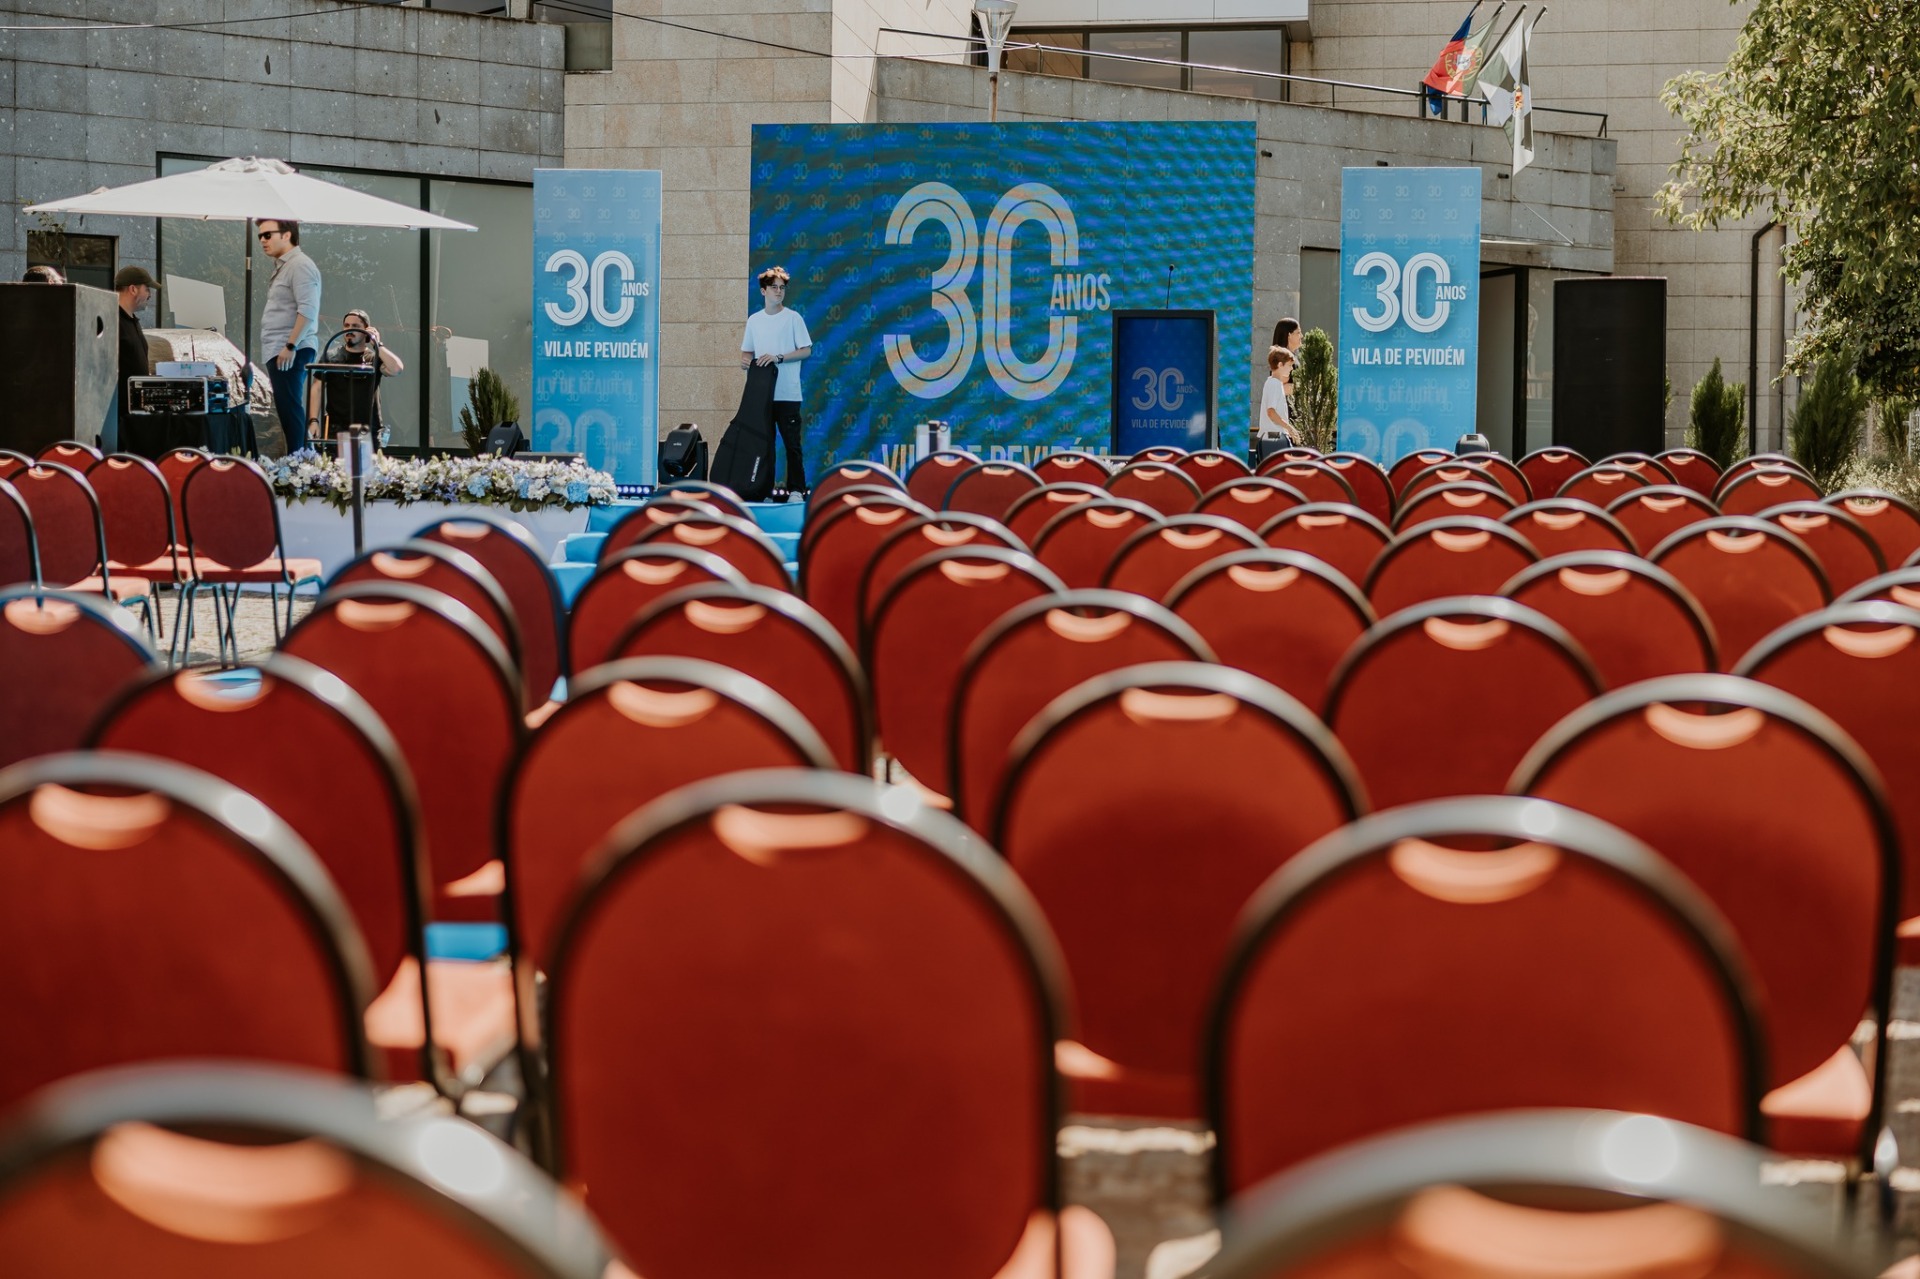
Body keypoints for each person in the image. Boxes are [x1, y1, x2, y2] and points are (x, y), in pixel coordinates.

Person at [739, 265, 812, 496]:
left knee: (792, 445)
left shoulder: (793, 318)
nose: (779, 291)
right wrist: (745, 362)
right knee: (763, 445)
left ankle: (796, 490)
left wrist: (778, 358)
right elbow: (747, 352)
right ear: (763, 291)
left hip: (788, 394)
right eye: (774, 287)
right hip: (762, 395)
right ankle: (763, 490)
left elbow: (806, 350)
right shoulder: (754, 321)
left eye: (782, 288)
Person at [257, 218, 322, 453]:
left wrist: (291, 345)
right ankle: (301, 460)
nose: (262, 240)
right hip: (281, 348)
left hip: (291, 348)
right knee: (288, 410)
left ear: (286, 235)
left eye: (267, 235)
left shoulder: (300, 265)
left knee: (291, 410)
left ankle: (300, 462)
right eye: (260, 236)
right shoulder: (285, 266)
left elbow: (308, 310)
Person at [308, 308, 403, 440]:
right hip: (337, 430)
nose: (349, 330)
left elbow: (396, 369)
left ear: (366, 330)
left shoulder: (374, 358)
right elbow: (317, 388)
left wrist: (377, 344)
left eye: (355, 326)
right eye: (346, 325)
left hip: (368, 430)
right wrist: (313, 420)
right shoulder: (331, 356)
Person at [114, 266, 159, 434]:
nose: (150, 295)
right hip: (118, 417)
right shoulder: (112, 319)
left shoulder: (133, 321)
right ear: (133, 289)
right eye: (147, 289)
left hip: (135, 415)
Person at [1256, 345, 1300, 454]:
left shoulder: (1272, 382)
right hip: (1274, 438)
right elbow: (1271, 412)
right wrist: (1289, 428)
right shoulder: (1274, 384)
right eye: (1289, 365)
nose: (1291, 368)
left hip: (1272, 438)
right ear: (1280, 365)